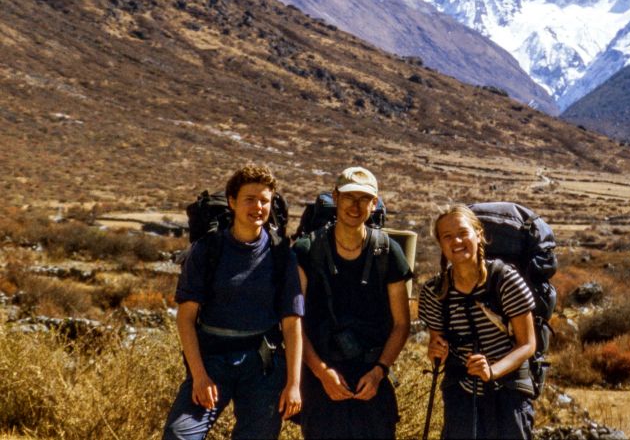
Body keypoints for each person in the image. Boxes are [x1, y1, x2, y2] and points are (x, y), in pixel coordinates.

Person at [163, 164, 303, 440]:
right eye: (250, 199)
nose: (258, 207)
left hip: (262, 365)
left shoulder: (281, 255)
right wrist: (199, 376)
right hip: (212, 359)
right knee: (179, 434)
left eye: (264, 201)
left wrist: (293, 384)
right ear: (232, 202)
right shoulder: (208, 250)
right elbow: (186, 317)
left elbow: (292, 324)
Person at [293, 166, 412, 439]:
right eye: (349, 197)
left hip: (371, 377)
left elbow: (401, 323)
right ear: (336, 197)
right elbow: (293, 321)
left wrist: (379, 371)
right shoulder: (307, 250)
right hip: (321, 377)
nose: (355, 206)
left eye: (364, 199)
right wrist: (321, 373)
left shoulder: (387, 252)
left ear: (374, 203)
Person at [418, 205, 536, 439]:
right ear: (440, 244)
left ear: (479, 234)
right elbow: (437, 347)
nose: (457, 241)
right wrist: (435, 351)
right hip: (461, 394)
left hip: (508, 392)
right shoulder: (434, 291)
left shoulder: (505, 280)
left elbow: (528, 344)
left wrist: (491, 371)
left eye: (463, 233)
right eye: (447, 236)